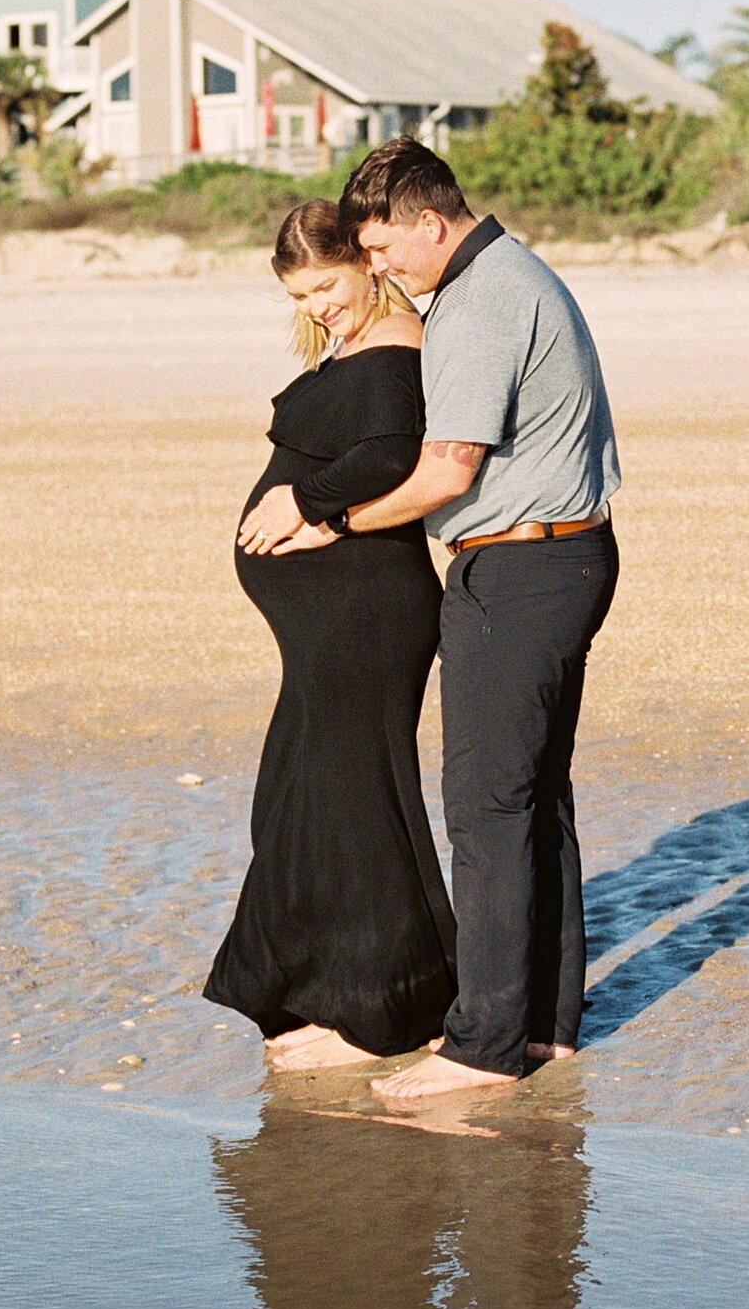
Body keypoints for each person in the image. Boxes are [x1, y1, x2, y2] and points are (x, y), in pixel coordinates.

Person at [236, 140, 619, 1100]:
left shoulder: (484, 301)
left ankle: (482, 1046)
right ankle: (542, 1025)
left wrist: (327, 516)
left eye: (382, 250)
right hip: (550, 554)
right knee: (534, 800)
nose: (380, 269)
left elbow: (445, 470)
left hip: (523, 564)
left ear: (428, 223)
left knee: (487, 809)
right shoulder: (504, 278)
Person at [206, 199, 457, 1070]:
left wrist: (307, 505)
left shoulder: (395, 345)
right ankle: (334, 988)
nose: (314, 306)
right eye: (297, 295)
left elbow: (393, 456)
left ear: (365, 258)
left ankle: (387, 1011)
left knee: (353, 808)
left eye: (323, 284)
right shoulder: (355, 342)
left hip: (365, 618)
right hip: (332, 626)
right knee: (297, 798)